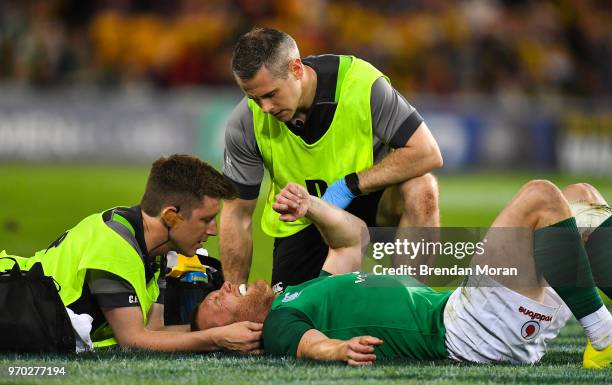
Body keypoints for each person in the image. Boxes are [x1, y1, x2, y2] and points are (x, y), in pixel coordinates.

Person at [192, 181, 612, 368]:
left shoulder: (297, 294)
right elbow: (311, 347)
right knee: (540, 197)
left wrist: (312, 205)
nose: (225, 287)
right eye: (218, 301)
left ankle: (601, 325)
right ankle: (604, 335)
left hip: (473, 317)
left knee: (582, 197)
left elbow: (350, 240)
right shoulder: (279, 323)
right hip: (468, 331)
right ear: (241, 332)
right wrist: (337, 352)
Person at [220, 27, 443, 289]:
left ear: (296, 69)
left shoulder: (360, 85)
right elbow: (237, 214)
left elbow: (427, 152)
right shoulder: (245, 121)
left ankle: (407, 306)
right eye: (254, 98)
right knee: (292, 318)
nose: (265, 108)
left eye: (271, 94)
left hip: (369, 201)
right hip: (304, 219)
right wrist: (233, 293)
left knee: (422, 188)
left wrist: (349, 185)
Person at [0, 154, 262, 353]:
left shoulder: (154, 248)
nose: (214, 230)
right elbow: (134, 340)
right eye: (206, 219)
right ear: (171, 216)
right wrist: (215, 338)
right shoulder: (116, 246)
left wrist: (224, 331)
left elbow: (154, 330)